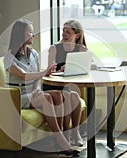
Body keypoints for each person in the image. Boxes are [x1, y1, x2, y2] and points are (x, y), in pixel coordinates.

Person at [3, 19, 79, 156]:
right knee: (46, 99)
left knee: (59, 95)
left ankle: (61, 137)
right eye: (30, 32)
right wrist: (45, 72)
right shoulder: (9, 57)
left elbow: (37, 78)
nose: (34, 34)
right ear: (21, 34)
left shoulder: (33, 54)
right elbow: (23, 75)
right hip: (17, 96)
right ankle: (60, 139)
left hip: (32, 93)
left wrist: (38, 88)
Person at [45, 19, 87, 147]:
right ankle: (67, 135)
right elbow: (50, 70)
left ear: (77, 35)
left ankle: (76, 133)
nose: (64, 34)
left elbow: (85, 67)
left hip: (66, 88)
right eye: (63, 30)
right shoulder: (54, 48)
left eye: (68, 32)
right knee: (69, 96)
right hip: (52, 86)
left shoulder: (82, 49)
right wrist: (60, 68)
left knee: (75, 97)